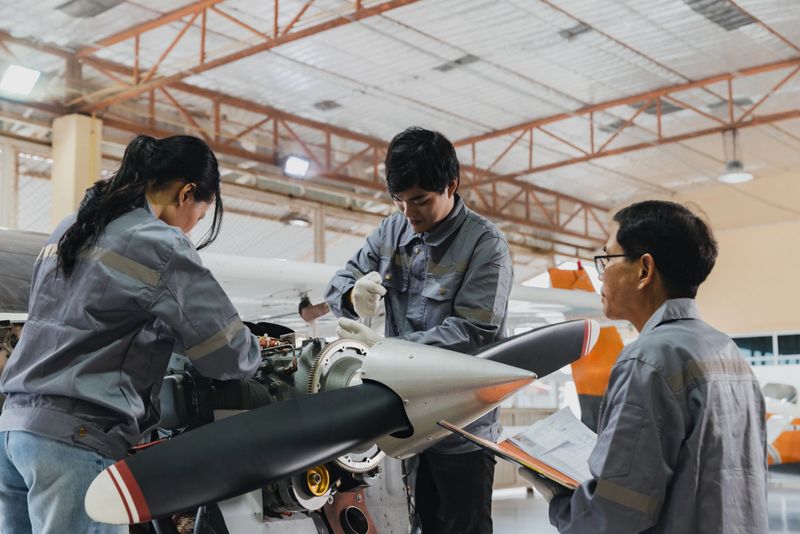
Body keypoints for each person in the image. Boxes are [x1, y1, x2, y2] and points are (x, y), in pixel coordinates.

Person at [0, 135, 262, 534]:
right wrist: (261, 352)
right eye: (201, 214)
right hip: (75, 442)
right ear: (187, 192)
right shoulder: (160, 244)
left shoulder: (72, 226)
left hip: (14, 431)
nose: (194, 227)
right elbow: (227, 355)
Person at [523, 200, 767, 533]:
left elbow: (617, 512)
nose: (601, 274)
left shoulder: (648, 360)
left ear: (644, 270)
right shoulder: (728, 352)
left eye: (607, 259)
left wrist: (559, 503)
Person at [325, 126, 513, 533]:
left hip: (464, 427)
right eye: (399, 201)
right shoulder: (392, 231)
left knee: (465, 526)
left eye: (421, 200)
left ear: (452, 185)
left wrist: (390, 349)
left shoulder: (485, 245)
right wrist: (351, 295)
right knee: (422, 524)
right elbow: (337, 284)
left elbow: (474, 331)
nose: (409, 213)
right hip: (409, 423)